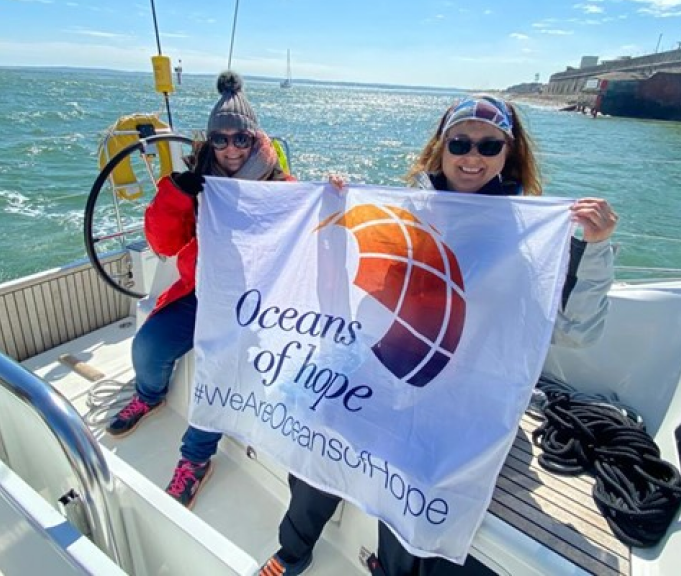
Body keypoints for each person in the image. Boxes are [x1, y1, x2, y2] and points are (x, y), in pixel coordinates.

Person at [259, 96, 618, 576]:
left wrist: (595, 250)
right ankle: (293, 548)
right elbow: (353, 291)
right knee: (324, 417)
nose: (473, 157)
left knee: (413, 474)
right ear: (441, 148)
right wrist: (334, 207)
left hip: (469, 397)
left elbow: (575, 335)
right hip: (396, 376)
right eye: (461, 143)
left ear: (508, 154)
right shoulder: (407, 214)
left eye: (490, 146)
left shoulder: (529, 237)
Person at [106, 70, 294, 509]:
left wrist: (335, 194)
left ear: (255, 137)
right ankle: (148, 394)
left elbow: (308, 232)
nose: (231, 148)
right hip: (202, 293)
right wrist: (175, 194)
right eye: (221, 139)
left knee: (220, 369)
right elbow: (163, 245)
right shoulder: (194, 180)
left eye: (241, 138)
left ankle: (195, 459)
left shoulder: (280, 186)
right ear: (210, 140)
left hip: (252, 306)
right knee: (149, 345)